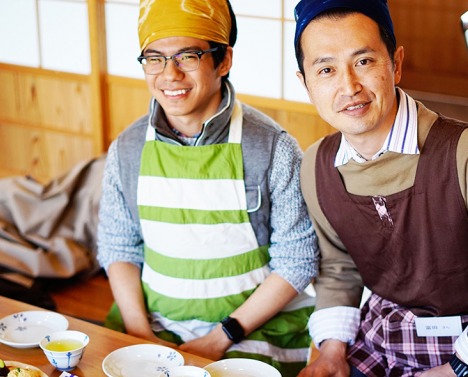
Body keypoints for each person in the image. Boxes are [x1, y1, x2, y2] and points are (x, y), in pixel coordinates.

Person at [96, 0, 319, 375]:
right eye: (154, 58)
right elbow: (118, 245)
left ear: (223, 60)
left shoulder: (272, 147)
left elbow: (297, 259)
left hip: (253, 332)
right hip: (154, 325)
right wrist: (139, 333)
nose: (169, 75)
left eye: (187, 56)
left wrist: (221, 336)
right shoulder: (128, 148)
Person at [292, 0, 468, 376]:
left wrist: (457, 368)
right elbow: (339, 268)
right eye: (325, 69)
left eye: (364, 61)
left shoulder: (462, 153)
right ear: (305, 84)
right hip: (380, 335)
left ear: (396, 63)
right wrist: (332, 352)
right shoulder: (316, 166)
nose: (349, 87)